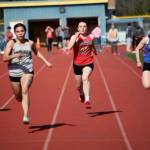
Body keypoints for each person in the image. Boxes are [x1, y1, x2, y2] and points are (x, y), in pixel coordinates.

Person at [3, 23, 53, 124]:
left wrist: (46, 62)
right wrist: (15, 55)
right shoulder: (11, 43)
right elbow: (4, 58)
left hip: (27, 71)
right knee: (18, 97)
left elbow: (36, 52)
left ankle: (26, 115)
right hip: (14, 73)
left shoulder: (30, 43)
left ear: (25, 31)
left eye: (22, 31)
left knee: (25, 90)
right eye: (17, 32)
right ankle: (20, 99)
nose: (20, 33)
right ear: (15, 33)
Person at [65, 22, 97, 109]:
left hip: (88, 62)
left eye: (84, 26)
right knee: (78, 86)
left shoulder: (91, 36)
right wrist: (75, 38)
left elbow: (92, 44)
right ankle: (81, 94)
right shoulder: (74, 37)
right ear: (78, 28)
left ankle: (87, 99)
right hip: (77, 64)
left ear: (87, 28)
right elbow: (70, 47)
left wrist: (95, 50)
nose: (82, 28)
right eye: (80, 27)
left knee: (85, 78)